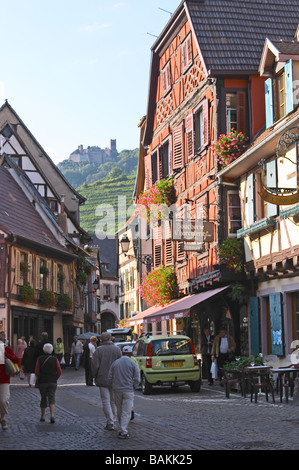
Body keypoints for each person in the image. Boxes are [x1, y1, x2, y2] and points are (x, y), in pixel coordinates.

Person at [108, 345, 140, 439]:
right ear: (130, 353)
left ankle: (121, 428)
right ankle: (123, 430)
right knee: (126, 411)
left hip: (117, 389)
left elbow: (110, 377)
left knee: (119, 409)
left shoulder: (115, 363)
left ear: (122, 353)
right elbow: (137, 378)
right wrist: (134, 386)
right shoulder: (132, 363)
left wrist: (113, 386)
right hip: (128, 390)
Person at [91, 332, 121, 431]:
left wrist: (94, 376)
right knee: (113, 401)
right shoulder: (117, 349)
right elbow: (120, 364)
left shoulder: (99, 350)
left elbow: (95, 366)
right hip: (115, 378)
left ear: (102, 340)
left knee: (106, 401)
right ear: (110, 339)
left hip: (103, 378)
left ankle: (110, 422)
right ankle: (114, 419)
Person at [35, 343, 62, 423]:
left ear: (44, 350)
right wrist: (55, 378)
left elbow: (36, 371)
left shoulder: (40, 359)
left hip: (42, 382)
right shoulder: (55, 359)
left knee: (43, 398)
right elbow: (59, 371)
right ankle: (52, 415)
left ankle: (42, 416)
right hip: (52, 381)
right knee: (52, 398)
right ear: (52, 350)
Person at [0, 331, 19, 430]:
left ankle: (2, 418)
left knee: (3, 400)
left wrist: (5, 353)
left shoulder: (7, 349)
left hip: (4, 378)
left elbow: (16, 360)